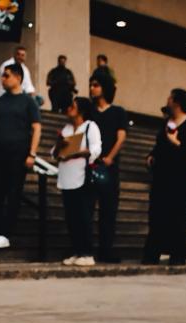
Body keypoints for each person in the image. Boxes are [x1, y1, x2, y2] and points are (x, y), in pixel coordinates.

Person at [0, 62, 41, 250]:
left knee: (13, 193)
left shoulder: (28, 102)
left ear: (18, 78)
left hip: (18, 153)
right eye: (3, 75)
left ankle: (5, 234)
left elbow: (37, 128)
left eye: (7, 75)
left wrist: (32, 154)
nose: (2, 79)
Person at [142, 89, 186, 266]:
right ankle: (152, 253)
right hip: (161, 177)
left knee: (177, 217)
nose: (167, 100)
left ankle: (177, 254)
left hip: (180, 180)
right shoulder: (166, 123)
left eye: (170, 97)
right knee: (156, 215)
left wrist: (175, 142)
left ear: (177, 102)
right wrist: (151, 155)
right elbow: (158, 144)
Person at [52, 96, 102, 265]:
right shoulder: (66, 129)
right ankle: (76, 250)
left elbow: (96, 148)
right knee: (71, 216)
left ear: (81, 109)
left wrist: (79, 152)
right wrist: (60, 144)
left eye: (73, 106)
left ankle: (87, 253)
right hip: (66, 177)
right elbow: (54, 153)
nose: (69, 108)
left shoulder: (90, 126)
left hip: (82, 177)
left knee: (83, 216)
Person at [88, 73, 127, 263]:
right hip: (89, 165)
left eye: (95, 85)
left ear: (104, 87)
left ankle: (106, 250)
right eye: (91, 85)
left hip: (109, 167)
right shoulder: (89, 111)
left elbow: (121, 137)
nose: (92, 88)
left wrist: (110, 157)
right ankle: (84, 249)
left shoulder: (118, 112)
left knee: (108, 211)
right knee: (86, 209)